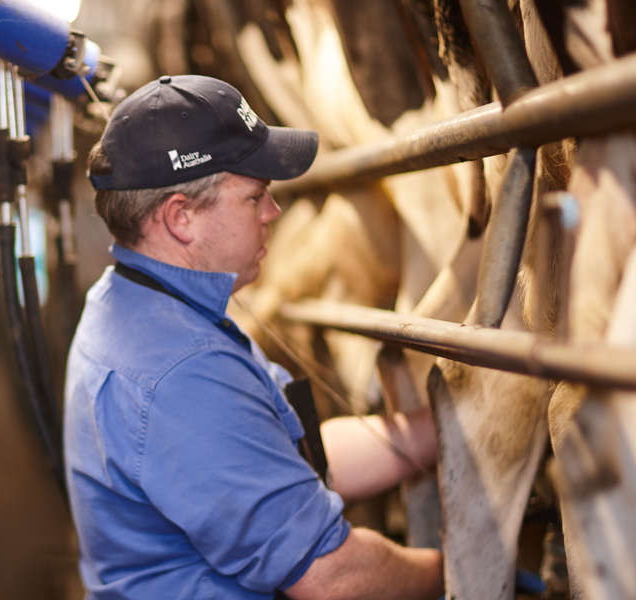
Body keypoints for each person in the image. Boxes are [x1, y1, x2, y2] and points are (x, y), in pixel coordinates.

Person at [64, 74, 443, 600]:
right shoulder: (182, 372)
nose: (274, 213)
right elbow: (334, 576)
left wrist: (448, 426)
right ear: (181, 218)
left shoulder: (138, 303)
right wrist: (453, 568)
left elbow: (277, 461)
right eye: (254, 197)